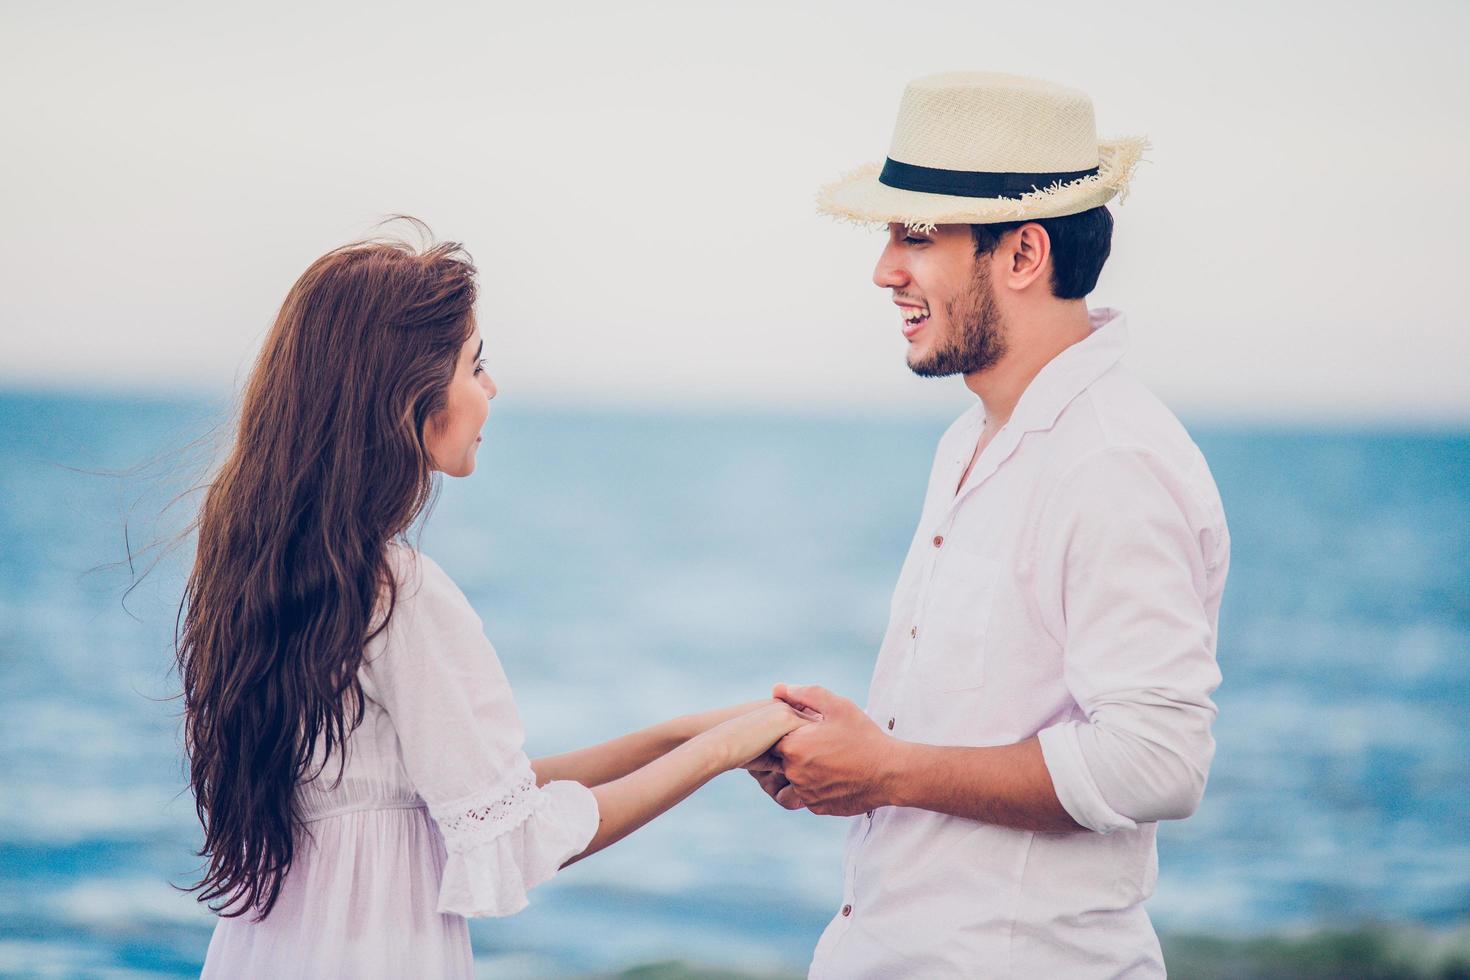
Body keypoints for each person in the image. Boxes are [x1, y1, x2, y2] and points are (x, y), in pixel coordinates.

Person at [179, 229, 810, 978]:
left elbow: (462, 790)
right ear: (409, 396)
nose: (492, 387)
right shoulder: (395, 591)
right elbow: (514, 837)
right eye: (475, 364)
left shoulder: (266, 575)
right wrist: (721, 753)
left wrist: (687, 732)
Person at [747, 72, 1230, 977]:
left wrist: (885, 771)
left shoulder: (1111, 461)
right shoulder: (975, 437)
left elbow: (1159, 761)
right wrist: (854, 758)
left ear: (1021, 255)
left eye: (917, 233)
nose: (885, 267)